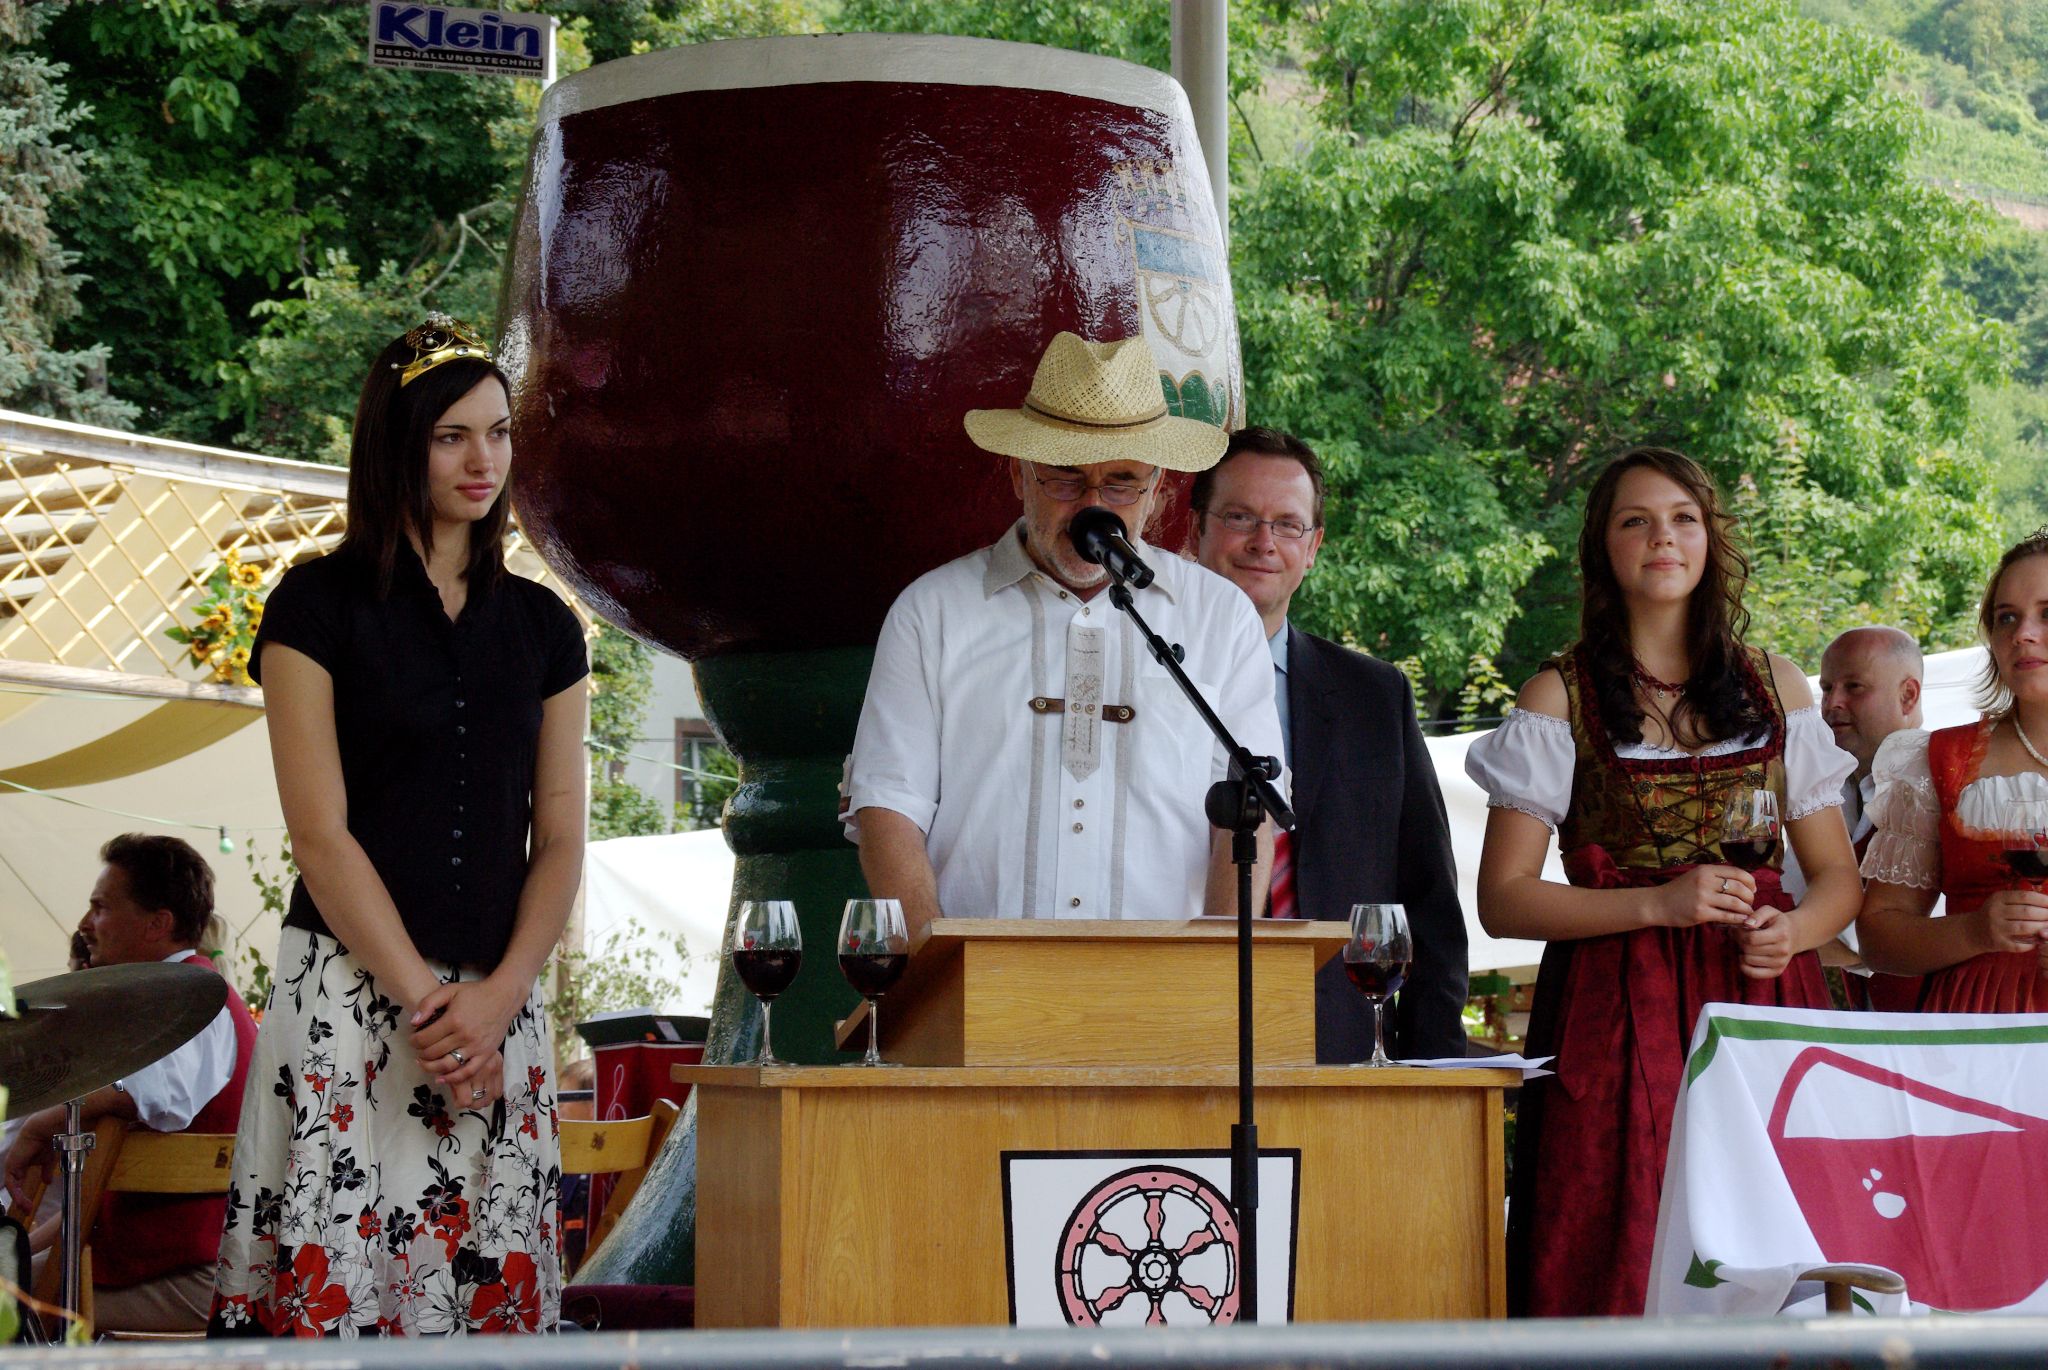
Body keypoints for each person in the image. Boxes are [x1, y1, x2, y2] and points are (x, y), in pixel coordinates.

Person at [208, 317, 589, 1337]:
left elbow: (558, 837)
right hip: (348, 993)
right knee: (341, 1291)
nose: (483, 459)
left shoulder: (546, 628)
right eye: (451, 435)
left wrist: (498, 1000)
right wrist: (433, 1008)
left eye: (499, 432)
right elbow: (321, 835)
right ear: (397, 444)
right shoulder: (313, 605)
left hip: (498, 1003)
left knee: (484, 1293)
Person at [1464, 446, 1860, 1317]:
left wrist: (1793, 930)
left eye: (1682, 517)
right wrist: (1656, 904)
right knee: (1621, 1244)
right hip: (1615, 1008)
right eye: (1634, 520)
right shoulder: (1555, 700)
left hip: (1762, 997)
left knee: (1780, 1248)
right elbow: (1503, 899)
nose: (1662, 538)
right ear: (1603, 548)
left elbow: (1837, 877)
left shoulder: (1777, 684)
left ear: (1710, 539)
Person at [847, 332, 1283, 935]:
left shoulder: (1219, 617)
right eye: (1065, 479)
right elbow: (887, 808)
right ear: (1018, 475)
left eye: (1120, 482)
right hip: (983, 999)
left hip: (1163, 999)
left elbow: (1244, 818)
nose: (1091, 506)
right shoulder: (933, 612)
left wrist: (1209, 993)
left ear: (1155, 490)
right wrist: (940, 980)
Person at [1191, 427, 1468, 1060]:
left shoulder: (1376, 696)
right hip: (1175, 1029)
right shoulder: (1144, 683)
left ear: (1313, 547)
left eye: (1288, 525)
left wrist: (1433, 1061)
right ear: (1194, 531)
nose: (1264, 542)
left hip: (1343, 1049)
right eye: (1239, 517)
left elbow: (1429, 901)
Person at [3, 836, 256, 1334]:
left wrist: (42, 1120)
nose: (84, 924)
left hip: (188, 1278)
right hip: (156, 1264)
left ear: (157, 923)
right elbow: (104, 1205)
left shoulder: (195, 1004)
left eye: (99, 907)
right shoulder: (186, 1004)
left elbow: (161, 1096)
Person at [1858, 530, 2048, 1011]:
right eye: (2007, 617)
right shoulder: (1941, 760)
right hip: (1979, 1034)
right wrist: (1972, 930)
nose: (2023, 633)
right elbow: (1879, 938)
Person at [1810, 626, 1926, 1010]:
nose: (1832, 704)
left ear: (1907, 696)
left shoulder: (1941, 784)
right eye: (1827, 688)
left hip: (1936, 1031)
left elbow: (1890, 940)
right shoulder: (1828, 789)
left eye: (1854, 687)